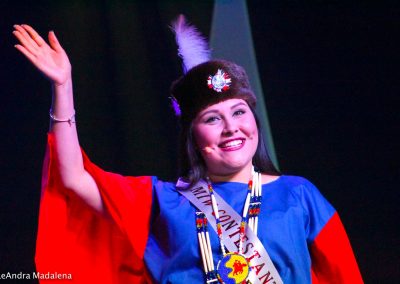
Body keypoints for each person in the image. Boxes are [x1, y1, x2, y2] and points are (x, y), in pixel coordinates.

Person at [13, 16, 363, 284]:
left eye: (239, 112)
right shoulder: (163, 200)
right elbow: (73, 179)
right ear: (192, 134)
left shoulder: (300, 196)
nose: (231, 128)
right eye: (212, 118)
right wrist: (63, 85)